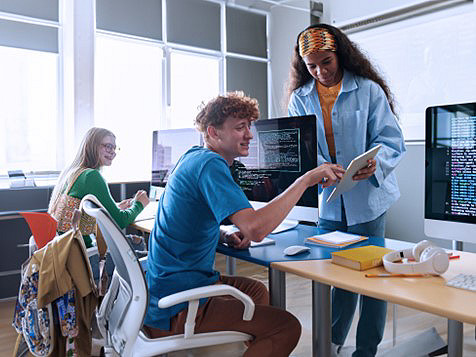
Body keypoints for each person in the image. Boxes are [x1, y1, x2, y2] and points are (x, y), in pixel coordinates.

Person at [144, 91, 344, 357]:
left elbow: (190, 219)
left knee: (256, 290)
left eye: (249, 126)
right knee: (286, 327)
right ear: (214, 133)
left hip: (165, 288)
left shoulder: (193, 157)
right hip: (177, 306)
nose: (250, 134)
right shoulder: (210, 165)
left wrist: (224, 237)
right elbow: (255, 230)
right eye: (240, 127)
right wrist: (306, 180)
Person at [287, 24, 406, 357]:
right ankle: (332, 344)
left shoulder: (368, 90)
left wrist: (375, 165)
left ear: (339, 53)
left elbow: (391, 140)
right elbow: (303, 147)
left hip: (368, 200)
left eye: (326, 61)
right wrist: (320, 168)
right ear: (302, 65)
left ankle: (366, 350)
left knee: (371, 279)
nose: (321, 71)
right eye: (312, 66)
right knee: (335, 275)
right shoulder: (300, 97)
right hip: (328, 202)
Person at [48, 127, 149, 251]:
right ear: (92, 146)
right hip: (84, 256)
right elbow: (120, 221)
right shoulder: (91, 176)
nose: (113, 152)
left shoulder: (73, 172)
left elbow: (82, 213)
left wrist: (115, 208)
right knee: (138, 243)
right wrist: (139, 204)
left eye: (114, 148)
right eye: (108, 146)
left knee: (133, 242)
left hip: (67, 249)